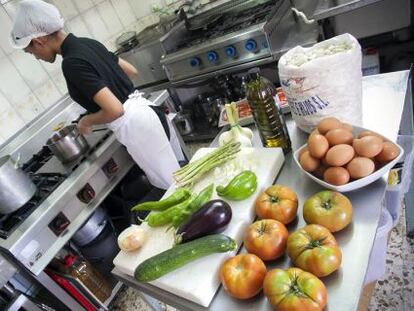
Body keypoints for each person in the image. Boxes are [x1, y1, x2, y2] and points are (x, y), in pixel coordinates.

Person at [10, 0, 185, 190]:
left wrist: (87, 121)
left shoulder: (71, 63)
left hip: (137, 126)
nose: (36, 57)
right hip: (150, 113)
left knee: (175, 190)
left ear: (39, 40)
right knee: (185, 177)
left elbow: (115, 109)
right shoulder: (88, 43)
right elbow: (131, 70)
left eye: (31, 51)